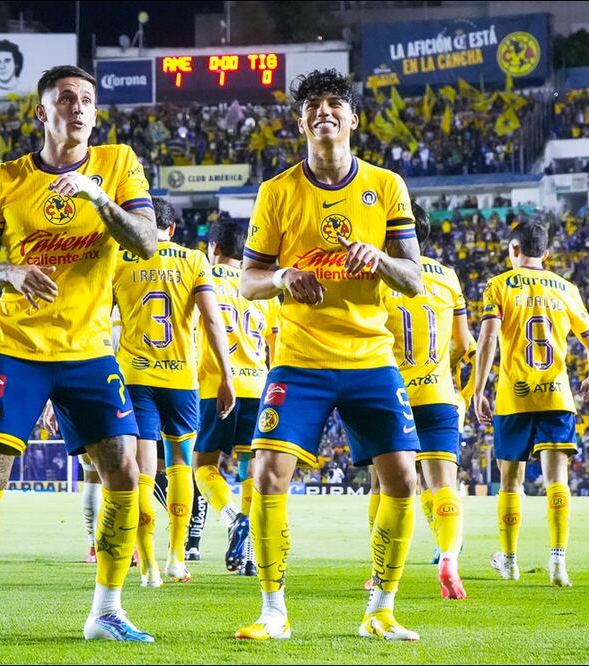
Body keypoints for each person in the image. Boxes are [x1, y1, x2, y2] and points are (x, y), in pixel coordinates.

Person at [0, 64, 159, 644]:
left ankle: (106, 610)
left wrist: (98, 199)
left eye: (86, 100)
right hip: (17, 348)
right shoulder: (4, 180)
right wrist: (10, 271)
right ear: (42, 112)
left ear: (96, 113)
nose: (78, 108)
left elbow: (147, 241)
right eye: (65, 99)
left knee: (124, 470)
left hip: (88, 350)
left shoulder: (118, 164)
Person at [238, 69, 424, 642]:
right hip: (299, 358)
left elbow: (414, 279)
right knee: (268, 475)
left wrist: (379, 260)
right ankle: (273, 611)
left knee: (402, 481)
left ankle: (381, 608)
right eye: (313, 106)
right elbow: (248, 281)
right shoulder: (277, 192)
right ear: (301, 122)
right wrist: (285, 277)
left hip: (371, 355)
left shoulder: (386, 186)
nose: (324, 112)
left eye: (334, 104)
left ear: (353, 119)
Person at [112, 197, 235, 587]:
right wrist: (226, 377)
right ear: (173, 228)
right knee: (181, 464)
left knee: (143, 471)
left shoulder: (119, 259)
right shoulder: (194, 260)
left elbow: (99, 318)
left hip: (134, 376)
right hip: (181, 378)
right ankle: (176, 559)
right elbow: (213, 321)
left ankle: (146, 564)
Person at [473, 219, 589, 587]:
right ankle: (558, 563)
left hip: (514, 396)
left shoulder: (498, 285)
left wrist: (478, 389)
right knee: (556, 481)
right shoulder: (566, 288)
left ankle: (510, 563)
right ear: (545, 253)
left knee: (510, 484)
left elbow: (486, 340)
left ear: (513, 249)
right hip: (557, 395)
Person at [378, 202, 476, 599]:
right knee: (444, 484)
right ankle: (449, 555)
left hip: (392, 392)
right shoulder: (448, 277)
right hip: (439, 394)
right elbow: (464, 344)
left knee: (385, 487)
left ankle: (380, 571)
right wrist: (452, 379)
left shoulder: (380, 275)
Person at [193, 218, 279, 578]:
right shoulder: (259, 289)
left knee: (202, 467)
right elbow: (277, 350)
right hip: (258, 387)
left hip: (215, 385)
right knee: (251, 470)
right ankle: (247, 556)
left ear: (213, 249)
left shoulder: (204, 279)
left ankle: (233, 518)